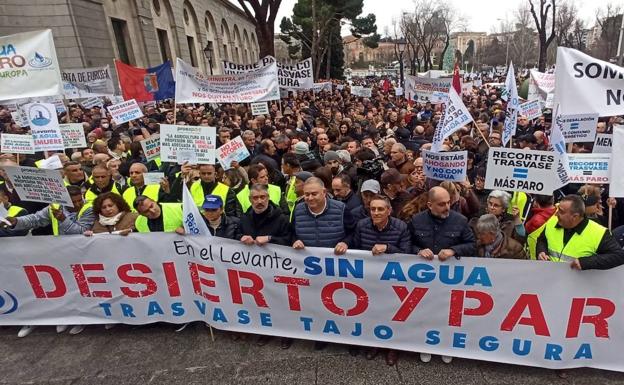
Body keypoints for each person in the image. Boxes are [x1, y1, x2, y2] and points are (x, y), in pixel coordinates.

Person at [408, 186, 475, 364]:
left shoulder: (460, 220)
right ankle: (425, 345)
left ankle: (446, 346)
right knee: (425, 312)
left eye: (448, 202)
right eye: (441, 204)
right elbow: (408, 244)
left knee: (448, 314)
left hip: (450, 281)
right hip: (424, 279)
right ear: (430, 205)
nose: (447, 207)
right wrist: (419, 250)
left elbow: (472, 245)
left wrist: (454, 250)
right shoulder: (416, 220)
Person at [350, 195, 410, 366]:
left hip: (393, 280)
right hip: (369, 280)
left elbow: (407, 253)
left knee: (393, 314)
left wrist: (388, 248)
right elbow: (355, 248)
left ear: (389, 211)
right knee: (373, 313)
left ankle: (393, 348)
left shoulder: (401, 227)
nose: (376, 213)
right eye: (372, 209)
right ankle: (375, 344)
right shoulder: (362, 225)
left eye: (380, 209)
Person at [292, 177, 350, 350]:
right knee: (316, 302)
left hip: (337, 268)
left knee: (342, 303)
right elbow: (291, 232)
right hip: (311, 269)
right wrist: (295, 240)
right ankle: (321, 335)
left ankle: (348, 336)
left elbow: (354, 232)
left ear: (324, 192)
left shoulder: (341, 209)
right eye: (306, 194)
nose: (309, 198)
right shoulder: (298, 209)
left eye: (314, 194)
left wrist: (346, 242)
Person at [238, 183, 292, 348]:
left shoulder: (281, 218)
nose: (259, 201)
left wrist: (270, 239)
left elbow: (288, 240)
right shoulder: (244, 218)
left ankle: (286, 333)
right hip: (255, 272)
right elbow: (236, 236)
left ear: (268, 198)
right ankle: (265, 332)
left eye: (263, 197)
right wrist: (241, 237)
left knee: (281, 302)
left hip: (277, 270)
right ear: (250, 200)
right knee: (261, 303)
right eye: (255, 198)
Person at [536, 194, 624, 270]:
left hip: (578, 286)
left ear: (575, 216)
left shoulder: (599, 232)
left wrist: (586, 263)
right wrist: (541, 251)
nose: (556, 214)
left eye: (561, 212)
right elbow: (542, 240)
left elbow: (619, 256)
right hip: (552, 282)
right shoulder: (552, 221)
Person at [4, 185, 94, 236]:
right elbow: (35, 219)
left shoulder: (89, 208)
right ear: (64, 200)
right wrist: (16, 221)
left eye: (79, 200)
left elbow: (81, 232)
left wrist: (63, 219)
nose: (78, 204)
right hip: (63, 247)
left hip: (83, 248)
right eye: (73, 202)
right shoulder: (55, 207)